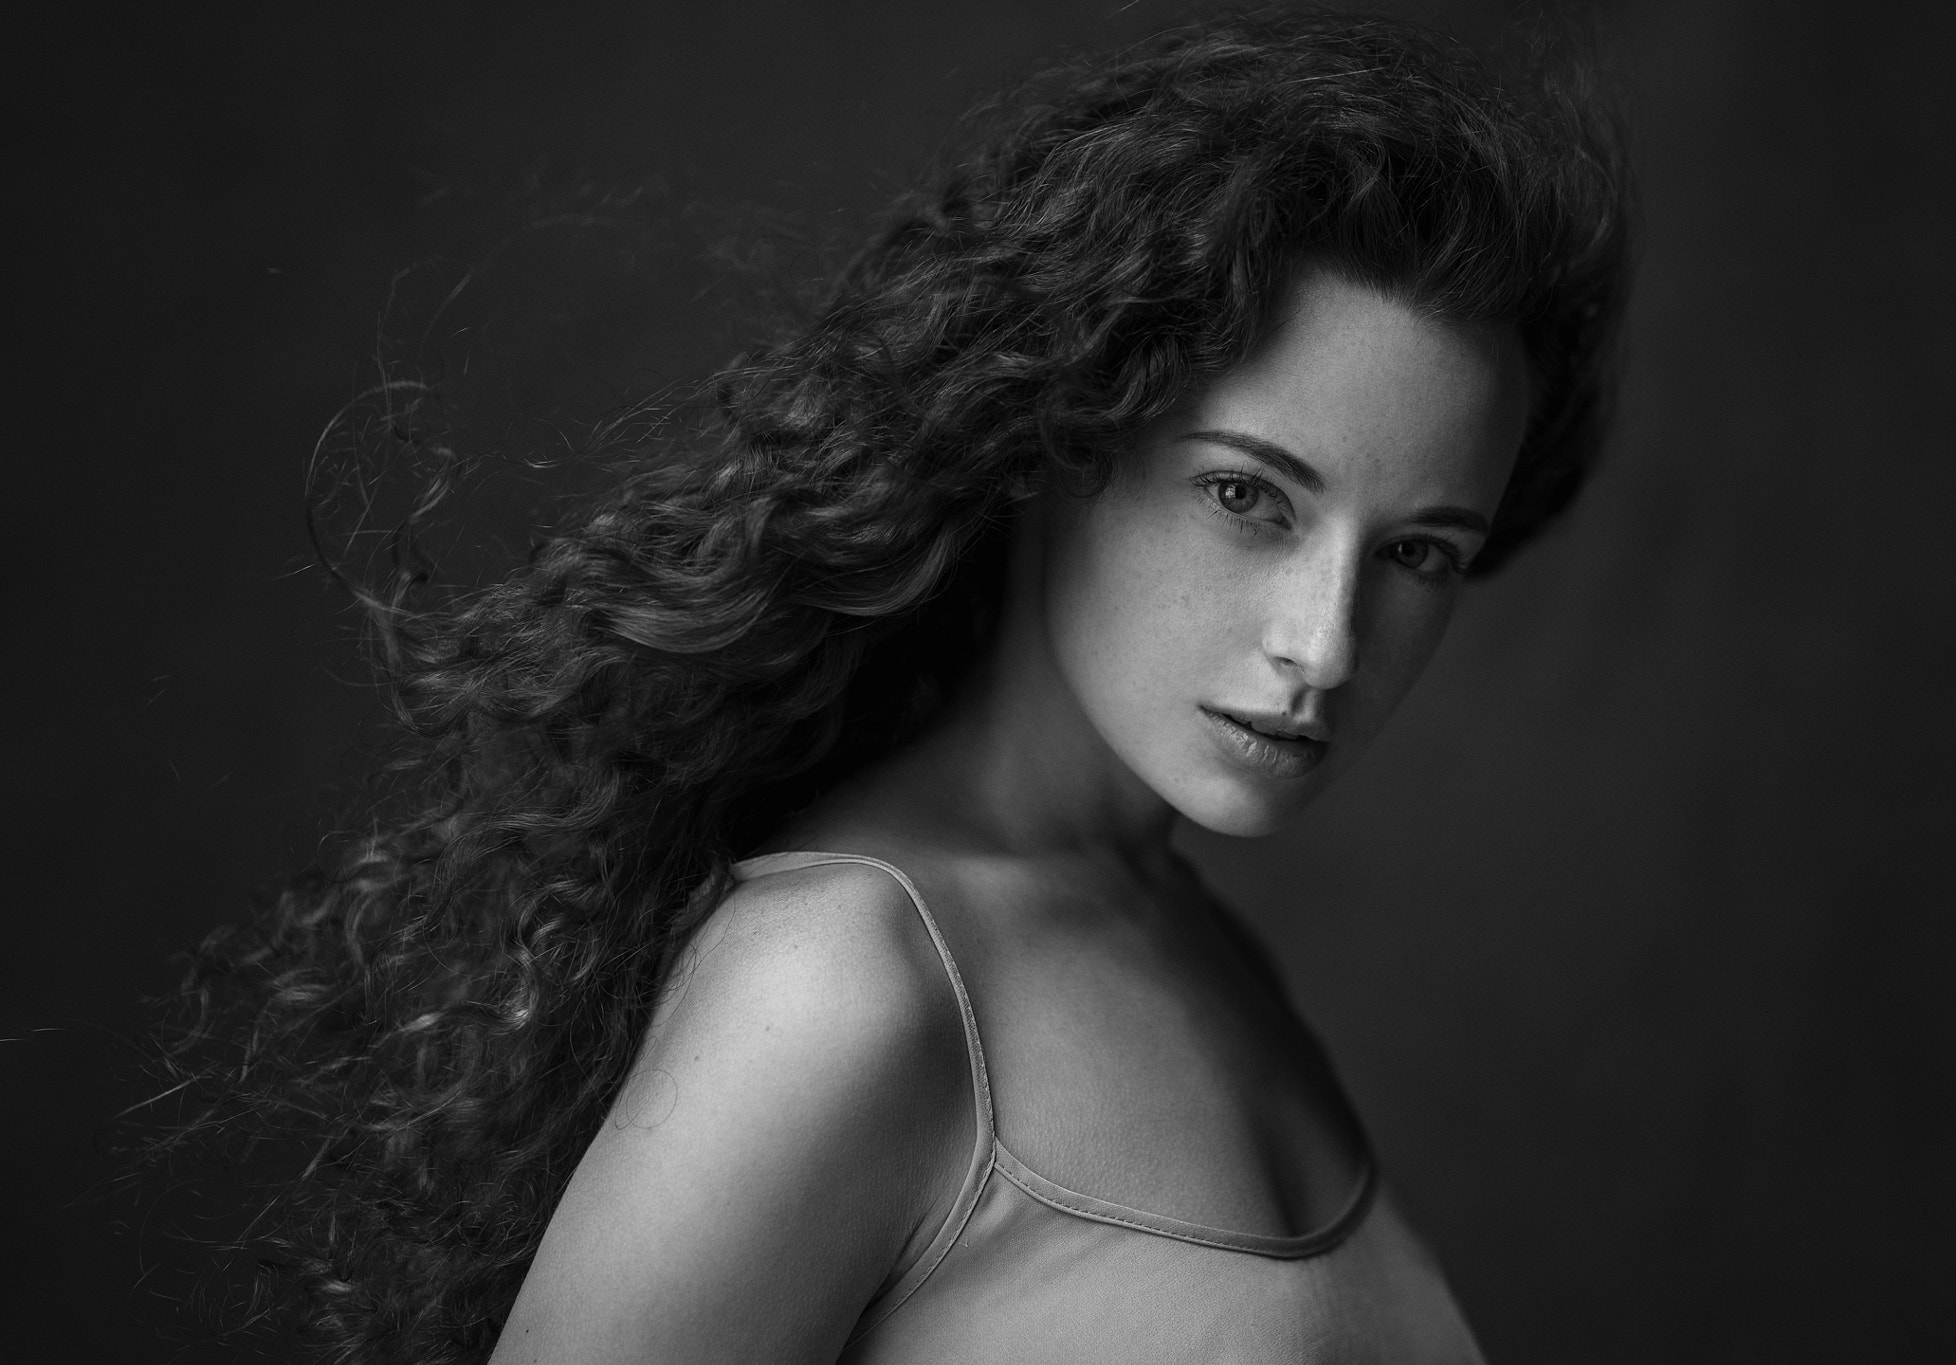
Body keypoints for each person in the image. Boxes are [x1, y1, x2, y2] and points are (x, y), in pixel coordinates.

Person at [160, 9, 1631, 1362]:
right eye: (1249, 497)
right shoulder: (840, 981)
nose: (1328, 645)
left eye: (1420, 553)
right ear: (1061, 432)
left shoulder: (1195, 940)